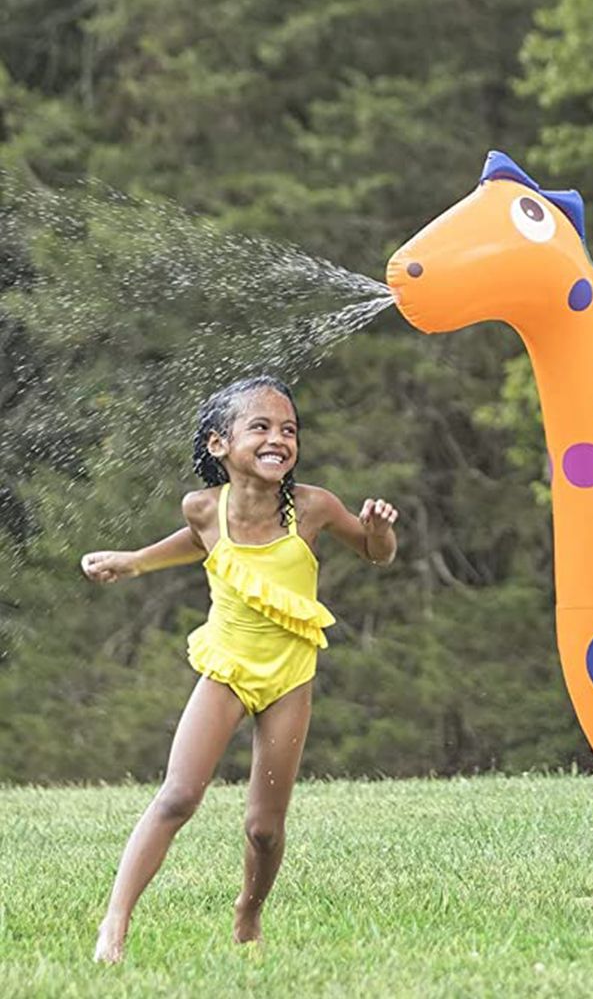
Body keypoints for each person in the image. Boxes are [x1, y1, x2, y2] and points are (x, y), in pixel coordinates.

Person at [80, 375, 399, 962]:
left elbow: (377, 555)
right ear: (219, 444)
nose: (279, 438)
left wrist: (379, 533)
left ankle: (248, 913)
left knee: (264, 829)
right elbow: (197, 539)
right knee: (177, 797)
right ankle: (115, 923)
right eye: (261, 427)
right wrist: (134, 562)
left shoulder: (313, 507)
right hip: (226, 670)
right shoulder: (204, 508)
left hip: (288, 680)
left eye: (289, 430)